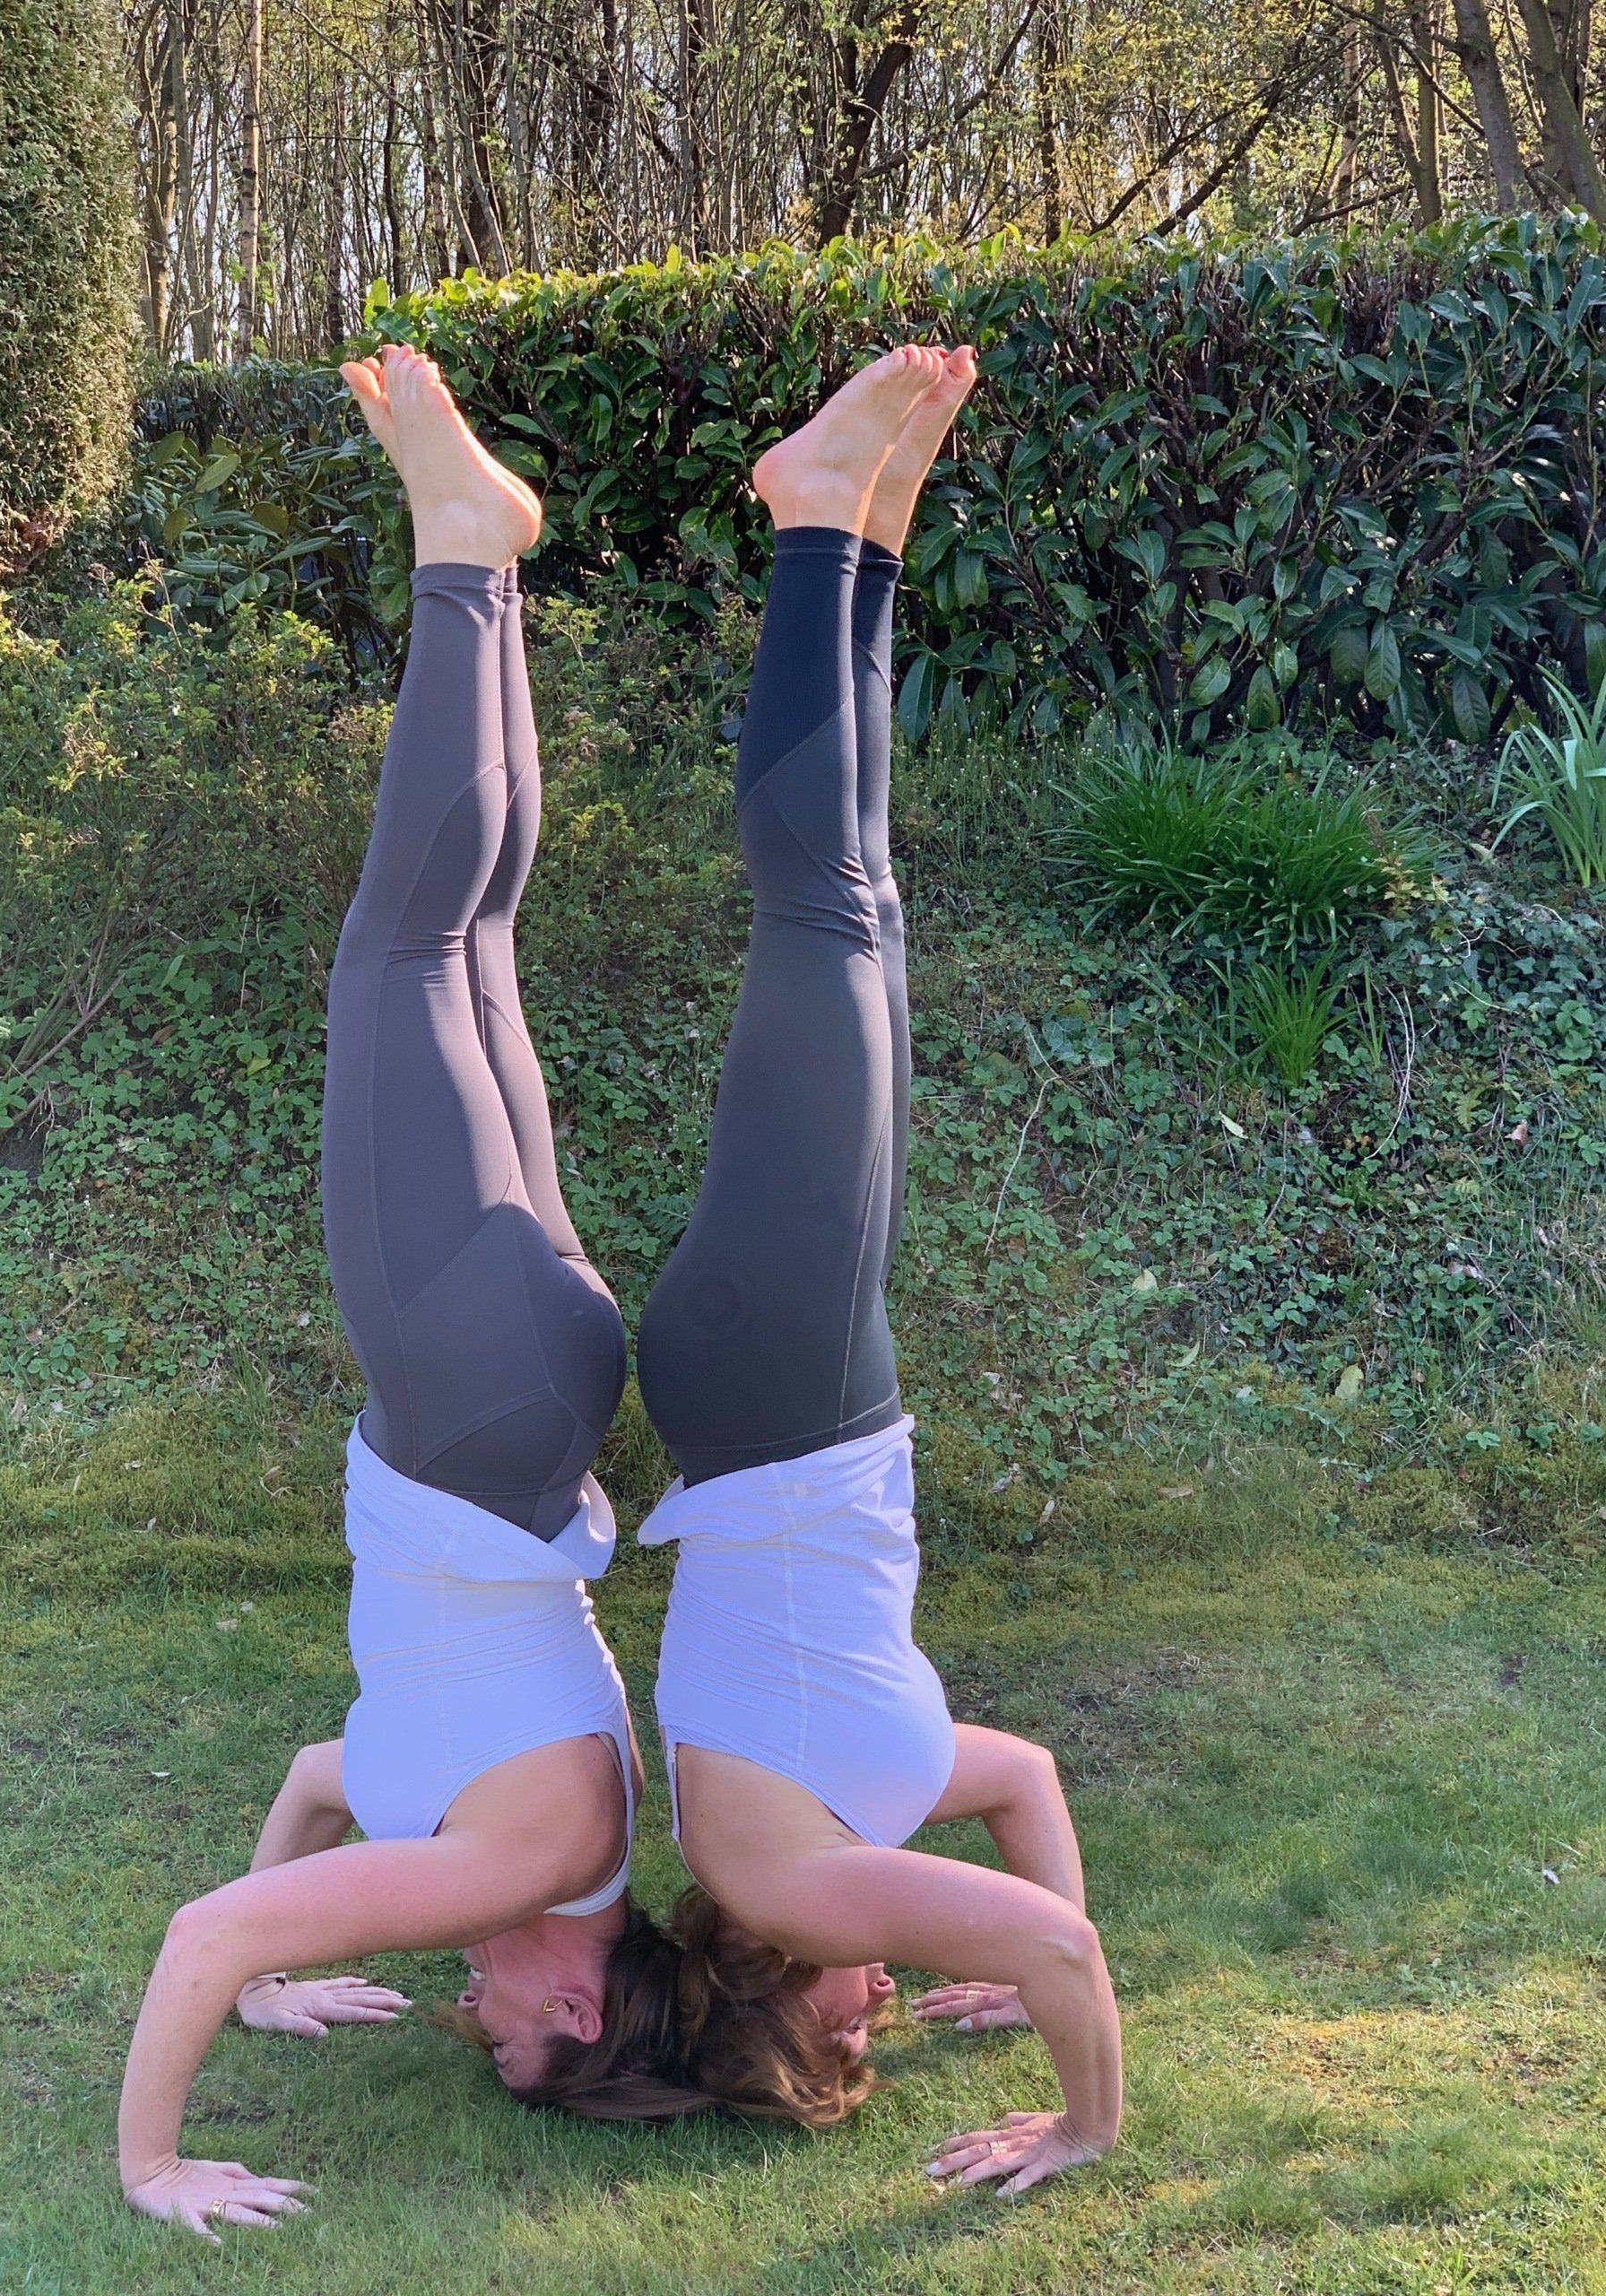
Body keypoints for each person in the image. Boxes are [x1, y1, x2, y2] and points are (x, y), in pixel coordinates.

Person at [117, 344, 696, 2244]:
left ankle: (490, 561)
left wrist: (285, 1970)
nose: (470, 2008)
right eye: (508, 2034)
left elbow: (318, 1782)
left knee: (468, 939)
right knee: (396, 950)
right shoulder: (514, 1867)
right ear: (580, 2006)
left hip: (536, 1387)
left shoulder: (536, 1841)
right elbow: (204, 1930)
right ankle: (460, 554)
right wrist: (155, 2159)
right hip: (469, 1396)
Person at [633, 344, 1124, 2194]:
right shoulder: (845, 1837)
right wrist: (1012, 1953)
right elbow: (1022, 1785)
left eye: (845, 2034)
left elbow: (1059, 1948)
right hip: (787, 1382)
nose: (883, 2010)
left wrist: (1081, 2118)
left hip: (781, 1392)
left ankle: (807, 520)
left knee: (820, 914)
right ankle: (867, 536)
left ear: (764, 1983)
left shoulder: (793, 1884)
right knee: (865, 907)